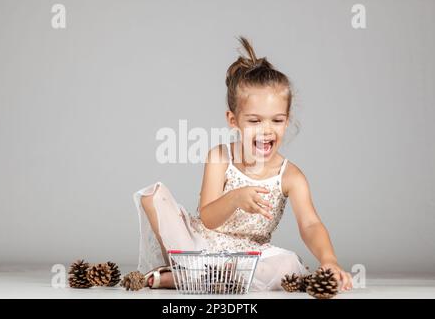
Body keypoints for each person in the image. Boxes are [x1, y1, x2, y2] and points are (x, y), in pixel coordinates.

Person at [133, 36, 353, 292]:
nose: (267, 130)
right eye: (254, 121)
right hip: (200, 244)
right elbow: (208, 218)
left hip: (248, 258)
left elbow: (310, 224)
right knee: (153, 196)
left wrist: (329, 260)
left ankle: (191, 278)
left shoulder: (291, 176)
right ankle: (193, 271)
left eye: (277, 120)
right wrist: (235, 198)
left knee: (287, 264)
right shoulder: (219, 157)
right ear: (233, 120)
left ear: (287, 119)